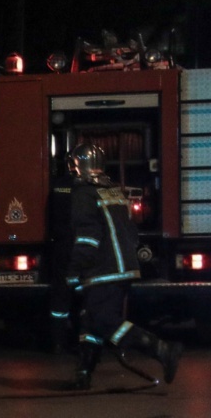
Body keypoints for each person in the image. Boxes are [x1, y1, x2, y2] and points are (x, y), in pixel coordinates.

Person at [63, 143, 182, 390]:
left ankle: (162, 349)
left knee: (103, 321)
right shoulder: (113, 190)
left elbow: (88, 236)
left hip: (102, 270)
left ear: (78, 166)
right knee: (90, 320)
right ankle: (83, 374)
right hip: (123, 267)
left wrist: (75, 269)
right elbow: (131, 231)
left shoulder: (83, 193)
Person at [46, 159, 81, 353]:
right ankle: (82, 340)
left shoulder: (58, 186)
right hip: (83, 248)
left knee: (60, 294)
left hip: (61, 247)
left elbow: (51, 218)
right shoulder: (89, 187)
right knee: (83, 295)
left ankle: (58, 342)